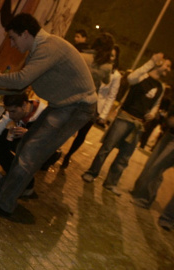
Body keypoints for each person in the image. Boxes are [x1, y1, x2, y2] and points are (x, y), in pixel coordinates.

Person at [0, 13, 97, 216]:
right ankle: (6, 192)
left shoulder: (48, 47)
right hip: (63, 106)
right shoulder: (38, 51)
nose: (11, 44)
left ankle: (4, 203)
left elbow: (20, 80)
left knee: (29, 154)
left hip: (76, 108)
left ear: (26, 33)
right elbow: (17, 89)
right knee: (24, 148)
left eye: (13, 37)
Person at [82, 53, 171, 195]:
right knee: (107, 148)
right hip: (124, 117)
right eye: (167, 65)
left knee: (124, 157)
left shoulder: (161, 87)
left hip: (138, 124)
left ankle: (111, 183)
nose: (168, 69)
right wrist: (151, 62)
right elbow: (131, 78)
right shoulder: (142, 75)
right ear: (160, 63)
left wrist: (153, 113)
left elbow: (156, 104)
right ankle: (91, 173)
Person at [0, 92, 48, 197]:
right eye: (8, 111)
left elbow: (49, 139)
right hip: (23, 142)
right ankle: (13, 179)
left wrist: (28, 134)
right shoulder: (14, 111)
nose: (11, 115)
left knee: (24, 149)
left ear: (24, 105)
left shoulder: (44, 113)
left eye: (13, 111)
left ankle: (25, 185)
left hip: (38, 149)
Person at [61, 36, 115, 168]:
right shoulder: (107, 66)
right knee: (82, 133)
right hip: (90, 102)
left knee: (63, 127)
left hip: (72, 97)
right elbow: (107, 81)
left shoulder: (82, 56)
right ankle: (68, 156)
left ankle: (51, 151)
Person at [129, 103, 174, 231]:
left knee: (157, 167)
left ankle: (165, 216)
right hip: (170, 133)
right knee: (152, 165)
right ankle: (142, 194)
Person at [96, 45, 122, 128]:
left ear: (115, 58)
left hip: (97, 107)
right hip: (84, 101)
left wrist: (103, 115)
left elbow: (111, 96)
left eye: (112, 55)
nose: (109, 57)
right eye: (108, 54)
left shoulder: (116, 75)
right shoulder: (97, 66)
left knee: (82, 133)